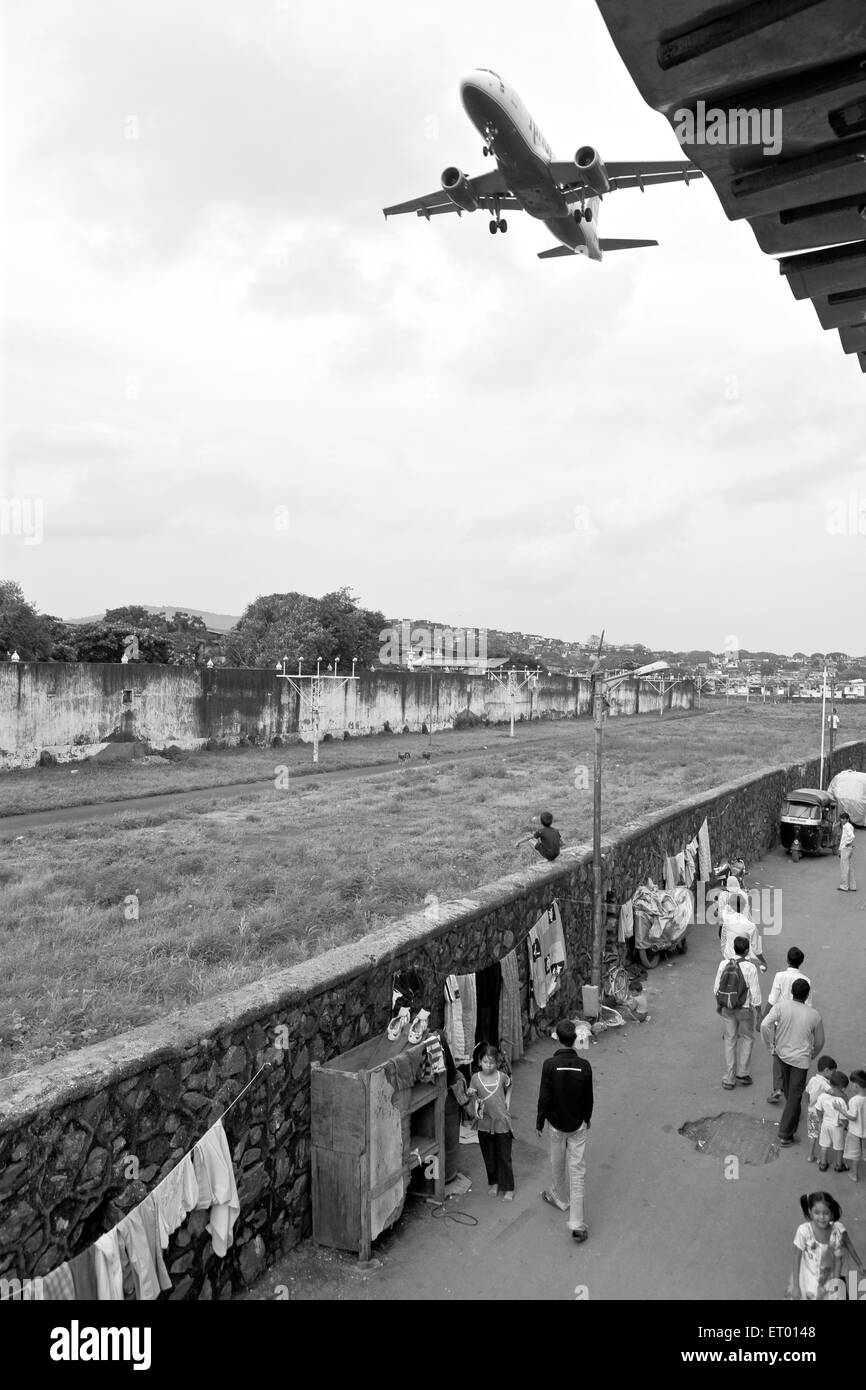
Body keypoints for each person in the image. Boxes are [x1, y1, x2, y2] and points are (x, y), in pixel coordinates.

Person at [536, 1019, 593, 1242]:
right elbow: (588, 1097)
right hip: (578, 1124)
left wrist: (540, 1121)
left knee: (557, 1162)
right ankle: (577, 1224)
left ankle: (559, 1197)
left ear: (558, 1038)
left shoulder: (550, 1065)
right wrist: (587, 1118)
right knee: (577, 1172)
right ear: (575, 1040)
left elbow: (544, 1097)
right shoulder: (585, 1066)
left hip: (556, 1124)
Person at [760, 978, 825, 1146]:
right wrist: (812, 1055)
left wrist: (770, 1045)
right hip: (800, 1060)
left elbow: (765, 1024)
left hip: (782, 1055)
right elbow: (819, 1042)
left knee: (790, 1091)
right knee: (795, 1095)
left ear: (792, 992)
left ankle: (792, 1117)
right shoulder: (814, 1015)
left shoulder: (781, 1007)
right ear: (807, 995)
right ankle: (785, 1134)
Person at [764, 947, 812, 1104]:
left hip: (781, 1020)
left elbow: (772, 999)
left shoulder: (780, 976)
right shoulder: (806, 981)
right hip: (799, 1023)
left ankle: (777, 1088)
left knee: (778, 1053)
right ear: (801, 962)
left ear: (787, 960)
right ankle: (791, 1086)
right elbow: (808, 1006)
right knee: (795, 1052)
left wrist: (763, 1018)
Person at [713, 935, 761, 1090]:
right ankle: (743, 1073)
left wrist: (720, 1006)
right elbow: (755, 993)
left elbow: (716, 990)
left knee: (730, 1040)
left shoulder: (723, 964)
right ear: (747, 950)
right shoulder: (750, 967)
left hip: (727, 1008)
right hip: (744, 1009)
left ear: (734, 948)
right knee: (747, 1038)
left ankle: (729, 1078)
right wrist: (759, 1013)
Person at [468, 1043, 514, 1200]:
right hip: (484, 1123)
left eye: (492, 1062)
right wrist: (471, 1094)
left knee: (504, 1156)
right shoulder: (475, 1078)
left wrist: (507, 1100)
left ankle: (508, 1188)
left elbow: (510, 1084)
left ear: (497, 1062)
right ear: (480, 1061)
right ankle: (493, 1183)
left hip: (501, 1122)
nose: (489, 1066)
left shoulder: (501, 1077)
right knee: (489, 1155)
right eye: (486, 1062)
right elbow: (473, 1096)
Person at [789, 1192, 846, 1301]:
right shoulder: (804, 1231)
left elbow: (838, 1260)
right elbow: (797, 1257)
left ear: (831, 1213)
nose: (821, 1217)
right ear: (810, 1212)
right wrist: (796, 1286)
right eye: (817, 1212)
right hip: (806, 1281)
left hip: (827, 1283)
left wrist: (835, 1284)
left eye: (826, 1213)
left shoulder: (835, 1234)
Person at [718, 890, 767, 971]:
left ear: (730, 906)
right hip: (744, 962)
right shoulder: (750, 926)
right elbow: (756, 948)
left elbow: (721, 910)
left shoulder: (726, 917)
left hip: (728, 958)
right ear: (744, 907)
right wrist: (763, 961)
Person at [816, 1070, 850, 1173]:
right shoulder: (841, 1101)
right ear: (843, 1088)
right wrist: (845, 1126)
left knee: (824, 1145)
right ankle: (839, 1165)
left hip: (825, 1124)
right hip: (837, 1127)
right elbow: (844, 1118)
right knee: (839, 1147)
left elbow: (818, 1109)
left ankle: (823, 1164)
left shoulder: (822, 1096)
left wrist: (820, 1120)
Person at [804, 1056, 837, 1163]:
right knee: (823, 1137)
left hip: (811, 1112)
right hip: (822, 1114)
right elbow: (833, 1092)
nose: (833, 1075)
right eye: (833, 1072)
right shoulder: (825, 1084)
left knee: (812, 1135)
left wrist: (809, 1103)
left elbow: (807, 1093)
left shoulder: (812, 1079)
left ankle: (810, 1155)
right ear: (827, 1070)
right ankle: (821, 1159)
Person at [842, 1069, 866, 1184]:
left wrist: (840, 1109)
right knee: (864, 1151)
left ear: (856, 1085)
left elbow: (852, 1117)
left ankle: (854, 1174)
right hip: (865, 1131)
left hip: (855, 1132)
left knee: (855, 1155)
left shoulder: (854, 1101)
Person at [838, 812, 857, 892]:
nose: (842, 820)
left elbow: (852, 836)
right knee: (849, 868)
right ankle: (853, 886)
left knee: (844, 868)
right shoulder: (849, 826)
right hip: (849, 848)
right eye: (841, 818)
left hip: (846, 849)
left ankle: (844, 886)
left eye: (844, 818)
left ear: (847, 819)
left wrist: (846, 844)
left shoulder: (846, 826)